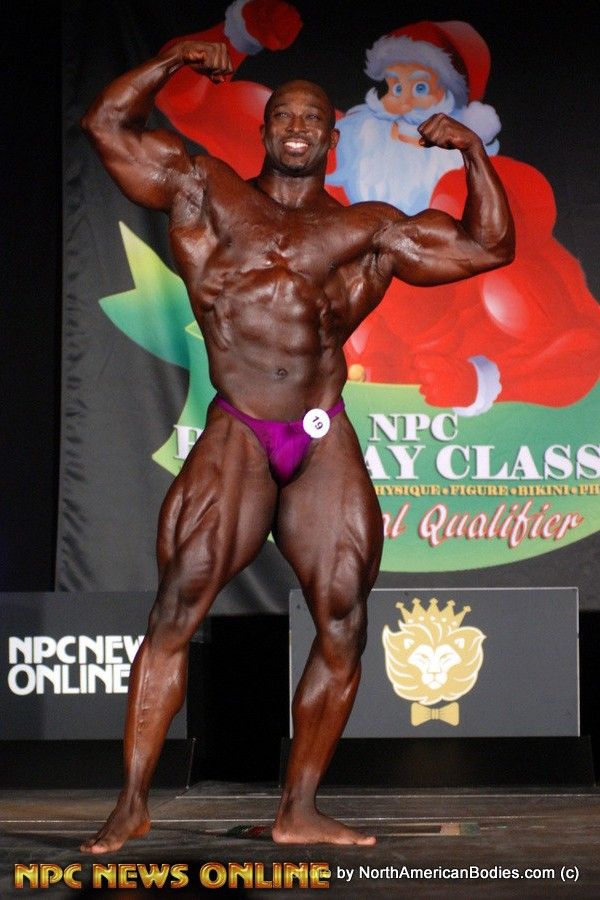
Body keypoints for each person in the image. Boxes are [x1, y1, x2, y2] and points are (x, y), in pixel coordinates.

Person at [79, 39, 514, 851]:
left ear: (332, 138)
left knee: (344, 616)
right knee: (178, 603)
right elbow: (105, 123)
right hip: (241, 425)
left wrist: (473, 153)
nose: (298, 126)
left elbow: (488, 246)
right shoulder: (205, 190)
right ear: (266, 128)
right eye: (285, 114)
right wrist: (172, 59)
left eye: (314, 118)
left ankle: (299, 810)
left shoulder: (367, 228)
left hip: (320, 428)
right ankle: (132, 801)